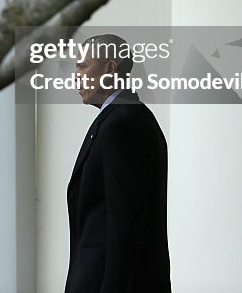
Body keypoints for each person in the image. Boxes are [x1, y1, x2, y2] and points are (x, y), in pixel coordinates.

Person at [65, 34, 171, 293]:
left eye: (82, 66)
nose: (75, 76)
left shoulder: (120, 124)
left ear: (111, 68)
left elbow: (125, 225)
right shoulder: (127, 117)